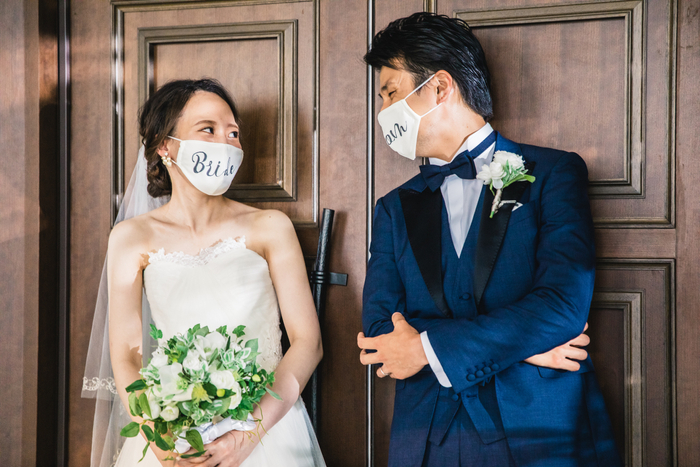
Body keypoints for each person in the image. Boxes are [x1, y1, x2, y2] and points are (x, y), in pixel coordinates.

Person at [358, 13, 621, 467]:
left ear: (440, 87)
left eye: (391, 93)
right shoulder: (394, 208)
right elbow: (381, 332)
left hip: (539, 432)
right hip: (427, 440)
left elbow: (562, 307)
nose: (383, 113)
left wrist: (426, 348)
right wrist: (526, 348)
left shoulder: (552, 174)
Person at [82, 78, 326, 467]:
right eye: (207, 129)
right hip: (172, 432)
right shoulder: (130, 237)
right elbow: (127, 355)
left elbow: (308, 342)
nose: (225, 142)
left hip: (266, 430)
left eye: (233, 133)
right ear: (165, 145)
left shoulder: (270, 227)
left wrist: (247, 435)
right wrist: (160, 442)